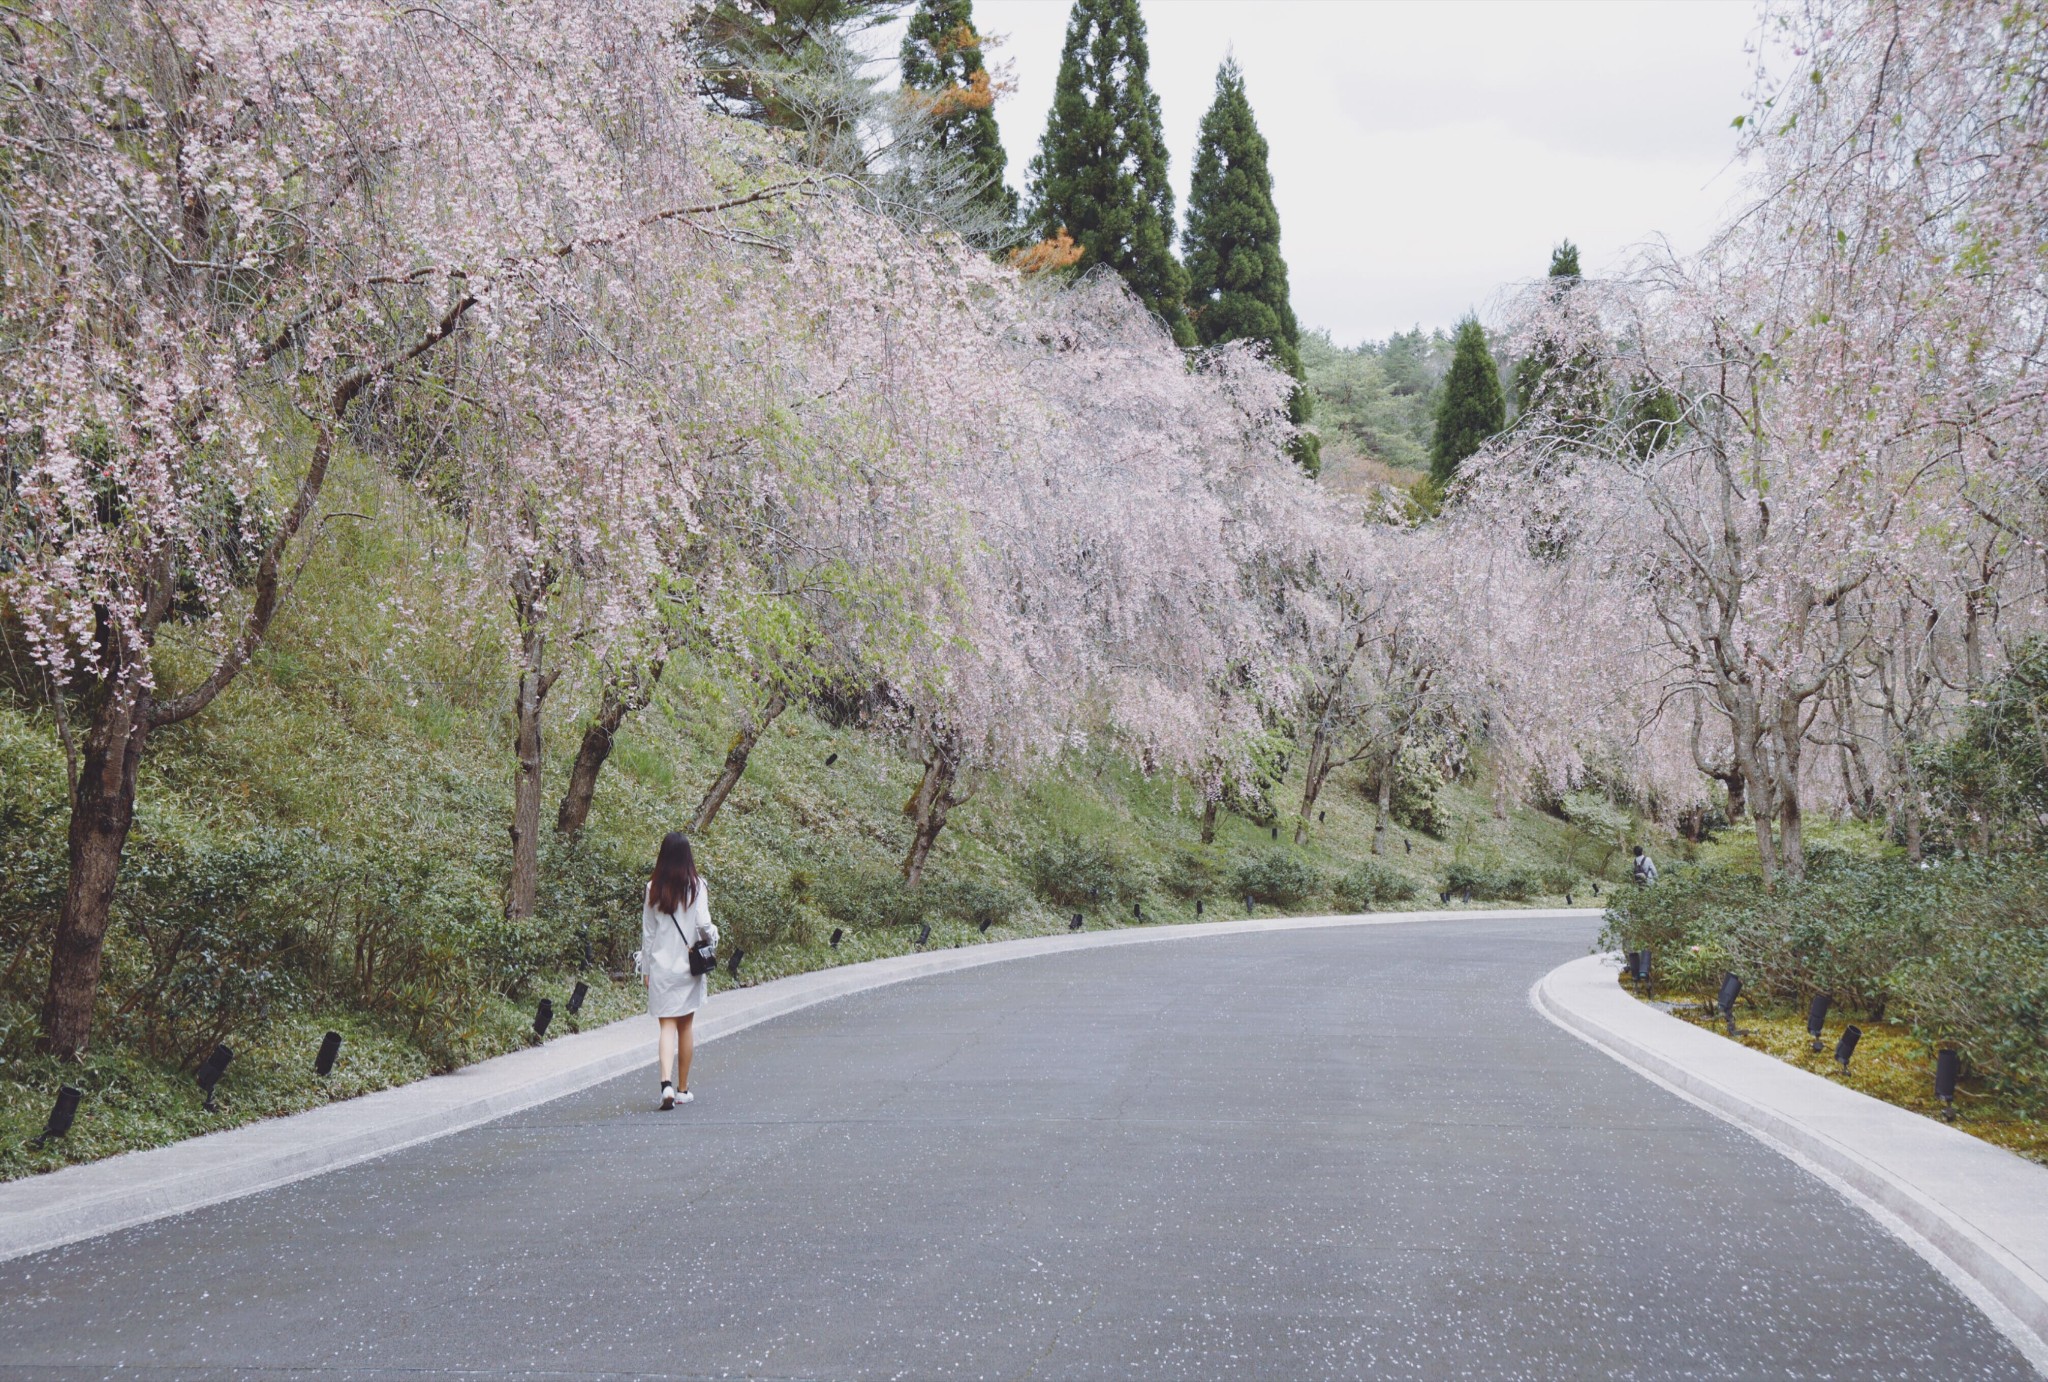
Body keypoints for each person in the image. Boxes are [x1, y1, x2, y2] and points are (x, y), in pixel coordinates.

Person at [639, 832, 718, 1110]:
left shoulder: (652, 888)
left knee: (666, 1026)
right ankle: (683, 1089)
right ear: (687, 856)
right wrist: (714, 938)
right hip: (689, 969)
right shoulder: (697, 886)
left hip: (662, 968)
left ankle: (665, 1085)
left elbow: (648, 934)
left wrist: (646, 969)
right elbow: (704, 925)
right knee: (686, 1026)